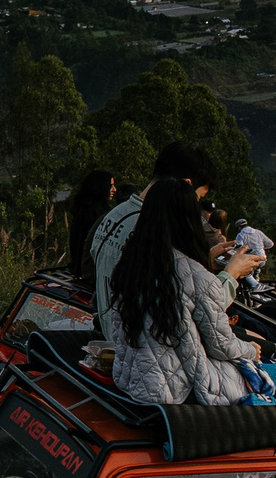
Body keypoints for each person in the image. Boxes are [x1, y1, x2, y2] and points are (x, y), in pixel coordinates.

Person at [106, 179, 265, 406]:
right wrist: (250, 350)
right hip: (177, 391)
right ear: (189, 220)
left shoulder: (130, 262)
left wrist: (207, 261)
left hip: (131, 379)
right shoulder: (196, 276)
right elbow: (220, 345)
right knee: (262, 370)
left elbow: (178, 287)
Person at [90, 143, 220, 345]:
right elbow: (179, 308)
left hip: (114, 341)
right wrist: (229, 275)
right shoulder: (152, 230)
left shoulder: (112, 216)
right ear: (185, 185)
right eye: (198, 197)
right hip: (142, 349)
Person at [65, 171, 116, 286]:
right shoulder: (93, 214)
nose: (114, 189)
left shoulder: (84, 209)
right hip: (89, 273)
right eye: (110, 185)